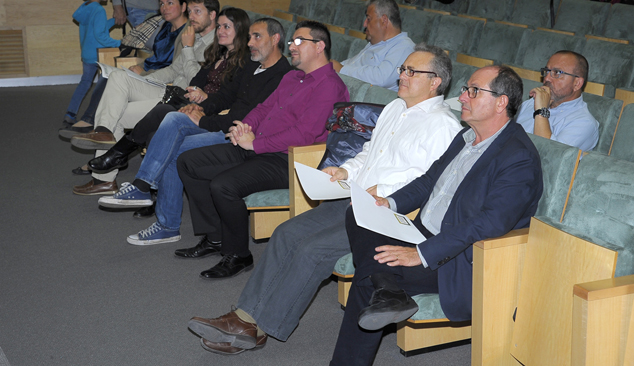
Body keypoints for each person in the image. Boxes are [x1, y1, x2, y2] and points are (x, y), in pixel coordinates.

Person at [185, 44, 463, 356]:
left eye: (412, 71)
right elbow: (369, 153)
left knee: (311, 250)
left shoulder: (443, 126)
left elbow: (430, 183)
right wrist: (345, 171)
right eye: (402, 69)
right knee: (285, 233)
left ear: (435, 81)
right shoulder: (395, 108)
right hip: (354, 199)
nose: (403, 75)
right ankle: (245, 317)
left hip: (385, 215)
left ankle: (260, 327)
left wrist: (382, 191)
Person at [330, 65, 543, 366]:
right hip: (421, 230)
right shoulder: (466, 137)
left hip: (459, 257)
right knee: (360, 211)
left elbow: (490, 223)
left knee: (369, 276)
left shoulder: (518, 157)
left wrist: (422, 253)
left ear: (501, 102)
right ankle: (389, 289)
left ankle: (381, 294)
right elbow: (429, 181)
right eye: (465, 89)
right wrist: (389, 202)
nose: (462, 96)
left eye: (473, 91)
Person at [93, 18, 293, 247]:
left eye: (257, 37)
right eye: (249, 37)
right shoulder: (251, 64)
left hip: (239, 135)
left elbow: (249, 117)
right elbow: (226, 96)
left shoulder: (282, 75)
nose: (249, 43)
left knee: (173, 140)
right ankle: (148, 194)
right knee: (173, 120)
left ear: (275, 39)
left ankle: (158, 211)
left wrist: (205, 120)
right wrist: (200, 108)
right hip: (224, 122)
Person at [176, 20, 349, 280]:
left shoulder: (329, 85)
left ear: (319, 46)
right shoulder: (292, 76)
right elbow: (263, 108)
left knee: (224, 186)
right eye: (291, 41)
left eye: (298, 41)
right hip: (259, 147)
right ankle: (215, 238)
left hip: (290, 160)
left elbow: (304, 134)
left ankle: (238, 255)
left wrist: (255, 144)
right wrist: (244, 127)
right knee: (188, 162)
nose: (291, 47)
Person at [70, 0, 218, 196]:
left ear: (212, 15)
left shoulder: (216, 44)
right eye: (190, 11)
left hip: (182, 100)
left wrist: (188, 48)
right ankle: (102, 131)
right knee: (119, 77)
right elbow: (174, 69)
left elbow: (197, 81)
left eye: (197, 12)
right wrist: (145, 79)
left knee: (117, 115)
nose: (191, 17)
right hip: (168, 90)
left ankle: (102, 180)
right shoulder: (193, 35)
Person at [61, 0, 189, 142]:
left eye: (170, 3)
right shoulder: (164, 26)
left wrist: (144, 73)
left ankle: (91, 122)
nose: (164, 8)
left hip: (160, 81)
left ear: (183, 6)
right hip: (147, 72)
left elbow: (176, 69)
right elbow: (154, 54)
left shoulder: (187, 33)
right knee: (108, 75)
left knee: (113, 81)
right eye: (162, 4)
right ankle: (96, 127)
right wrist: (140, 66)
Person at [63, 0, 121, 134]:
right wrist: (120, 43)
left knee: (85, 84)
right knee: (102, 87)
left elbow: (97, 28)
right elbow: (101, 36)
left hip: (87, 54)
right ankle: (93, 118)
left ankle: (70, 114)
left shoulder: (85, 7)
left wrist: (114, 21)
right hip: (99, 54)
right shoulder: (99, 10)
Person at [515, 51, 599, 152]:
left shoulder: (584, 123)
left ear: (577, 83)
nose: (547, 78)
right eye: (547, 71)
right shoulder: (531, 103)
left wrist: (541, 111)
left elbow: (546, 154)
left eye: (557, 73)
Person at [331, 0, 414, 91]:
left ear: (384, 20)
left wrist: (342, 69)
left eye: (369, 19)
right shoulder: (375, 44)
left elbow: (382, 78)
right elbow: (351, 64)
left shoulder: (404, 47)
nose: (364, 24)